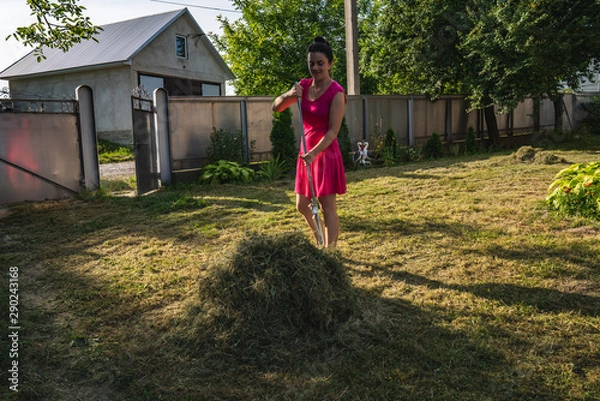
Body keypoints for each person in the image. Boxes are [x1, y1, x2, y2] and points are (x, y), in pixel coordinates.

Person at [272, 36, 347, 248]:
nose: (315, 67)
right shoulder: (303, 87)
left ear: (330, 63)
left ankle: (330, 251)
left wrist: (314, 152)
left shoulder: (336, 93)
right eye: (311, 63)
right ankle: (319, 240)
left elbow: (333, 131)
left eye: (320, 63)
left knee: (327, 207)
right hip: (305, 156)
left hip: (324, 154)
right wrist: (289, 94)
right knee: (302, 205)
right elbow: (276, 107)